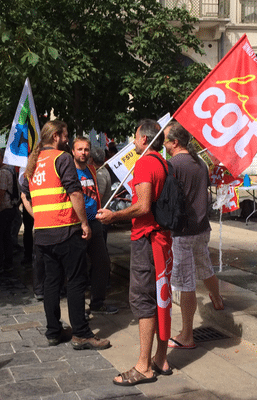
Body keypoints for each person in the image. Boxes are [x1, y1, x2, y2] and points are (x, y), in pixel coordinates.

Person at [21, 120, 111, 350]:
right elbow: (75, 193)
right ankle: (81, 333)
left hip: (42, 233)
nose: (67, 139)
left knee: (51, 282)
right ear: (56, 137)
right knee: (76, 282)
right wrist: (84, 223)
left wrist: (39, 219)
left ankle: (53, 331)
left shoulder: (34, 163)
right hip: (65, 230)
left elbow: (27, 198)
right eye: (65, 135)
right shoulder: (61, 159)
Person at [98, 119, 172, 385]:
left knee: (143, 300)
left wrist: (113, 215)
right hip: (162, 239)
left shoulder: (145, 163)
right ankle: (161, 359)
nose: (132, 141)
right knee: (160, 296)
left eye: (134, 136)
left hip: (147, 239)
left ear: (144, 139)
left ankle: (143, 367)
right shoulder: (164, 163)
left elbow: (142, 207)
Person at [163, 120, 224, 349]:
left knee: (185, 282)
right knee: (205, 266)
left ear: (175, 142)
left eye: (166, 139)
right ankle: (217, 299)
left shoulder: (172, 165)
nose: (164, 143)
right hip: (201, 227)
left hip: (183, 231)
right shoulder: (199, 161)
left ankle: (186, 335)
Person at [71, 137, 117, 316]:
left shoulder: (92, 170)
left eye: (86, 149)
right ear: (73, 152)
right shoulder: (69, 172)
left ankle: (97, 303)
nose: (83, 153)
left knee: (102, 263)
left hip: (94, 222)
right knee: (78, 267)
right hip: (76, 226)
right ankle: (79, 309)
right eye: (80, 149)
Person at [0, 149, 17, 275]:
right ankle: (8, 263)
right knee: (7, 238)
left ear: (3, 159)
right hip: (11, 208)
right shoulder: (11, 170)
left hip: (3, 209)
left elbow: (0, 193)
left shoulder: (2, 172)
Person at [90, 146, 113, 244]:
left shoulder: (100, 174)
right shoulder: (101, 171)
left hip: (100, 218)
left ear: (92, 159)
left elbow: (99, 196)